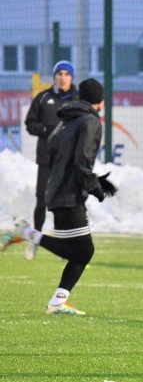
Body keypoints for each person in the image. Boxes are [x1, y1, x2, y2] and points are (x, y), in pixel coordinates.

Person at [1, 78, 116, 315]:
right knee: (82, 251)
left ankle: (58, 300)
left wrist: (89, 181)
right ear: (100, 102)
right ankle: (26, 232)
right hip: (69, 194)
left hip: (57, 190)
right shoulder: (91, 121)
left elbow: (54, 152)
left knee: (79, 251)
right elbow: (82, 161)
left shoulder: (66, 120)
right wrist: (96, 188)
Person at [21, 60, 78, 260]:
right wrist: (45, 130)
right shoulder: (43, 98)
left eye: (66, 74)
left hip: (67, 161)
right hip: (46, 159)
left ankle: (66, 247)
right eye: (59, 74)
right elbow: (30, 123)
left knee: (64, 204)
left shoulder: (78, 99)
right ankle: (35, 240)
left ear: (72, 77)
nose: (62, 78)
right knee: (42, 200)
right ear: (54, 76)